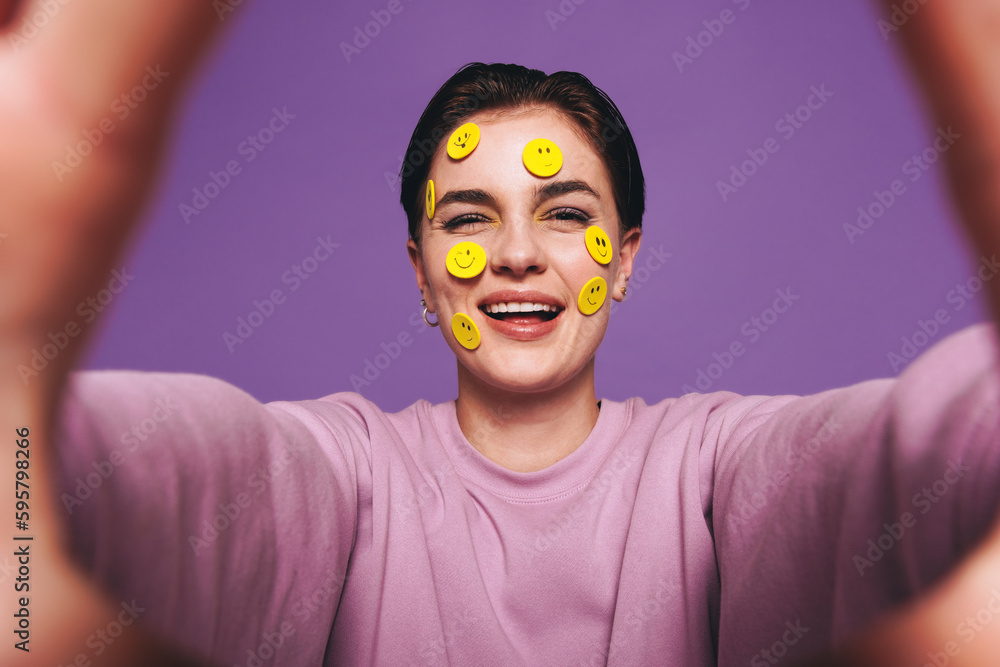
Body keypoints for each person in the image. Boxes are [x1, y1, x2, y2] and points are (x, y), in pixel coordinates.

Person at [3, 0, 1000, 665]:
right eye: (469, 218)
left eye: (566, 213)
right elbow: (135, 470)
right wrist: (20, 457)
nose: (518, 255)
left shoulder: (712, 469)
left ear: (628, 255)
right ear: (421, 273)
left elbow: (911, 449)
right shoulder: (344, 479)